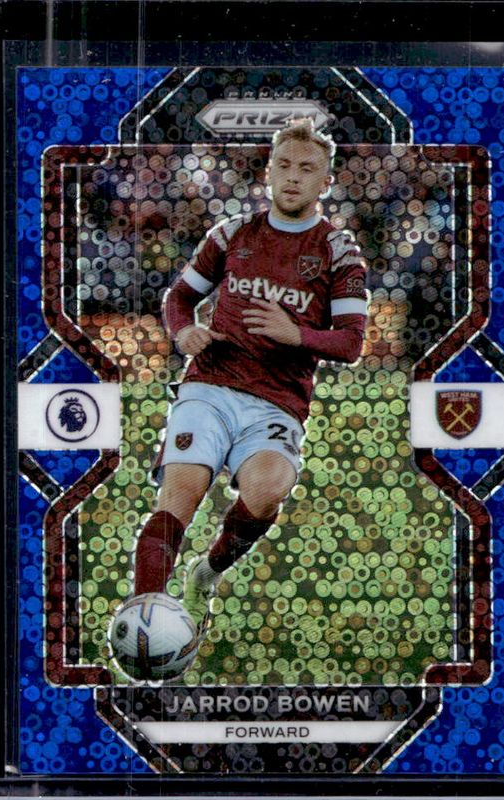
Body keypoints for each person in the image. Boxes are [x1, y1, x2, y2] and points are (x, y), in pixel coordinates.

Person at [133, 118, 369, 631]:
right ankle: (144, 617)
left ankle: (207, 572)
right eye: (284, 165)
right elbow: (180, 297)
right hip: (210, 385)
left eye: (306, 169)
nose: (293, 176)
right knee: (180, 495)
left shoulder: (338, 252)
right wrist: (183, 331)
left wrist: (296, 334)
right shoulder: (232, 233)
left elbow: (352, 343)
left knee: (266, 492)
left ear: (325, 182)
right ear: (268, 171)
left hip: (278, 402)